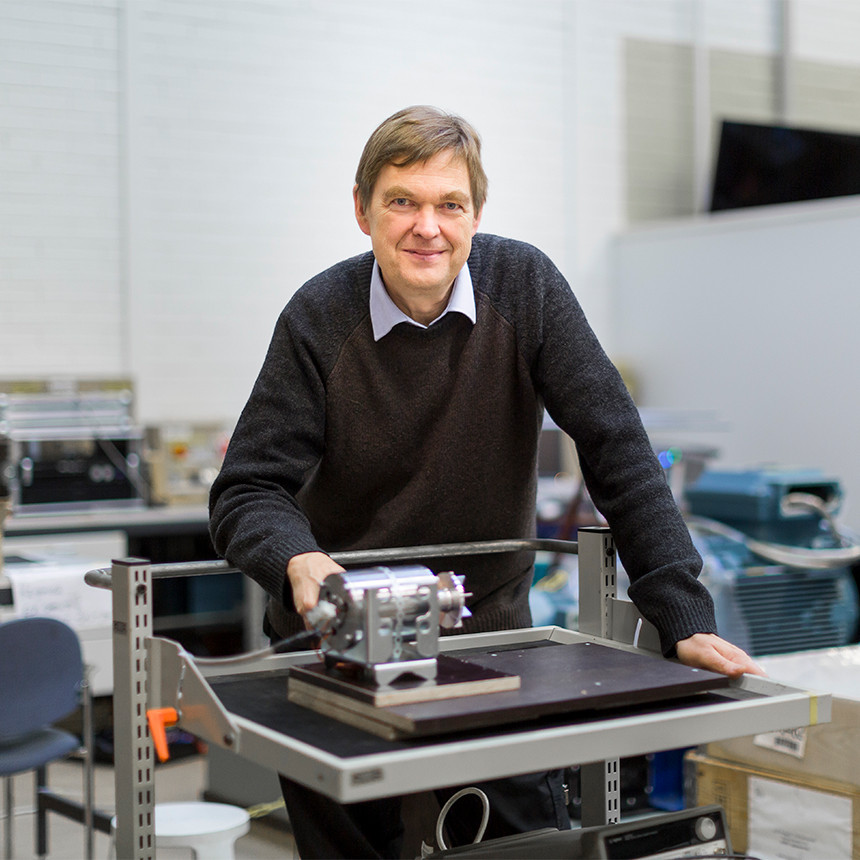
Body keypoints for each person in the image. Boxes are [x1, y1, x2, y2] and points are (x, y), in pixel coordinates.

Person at [209, 105, 762, 859]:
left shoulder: (525, 288)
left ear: (476, 215)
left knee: (524, 845)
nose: (426, 227)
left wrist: (684, 614)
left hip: (494, 645)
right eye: (402, 201)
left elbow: (618, 450)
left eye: (449, 204)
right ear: (362, 210)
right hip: (335, 654)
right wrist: (299, 562)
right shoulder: (318, 318)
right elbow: (247, 490)